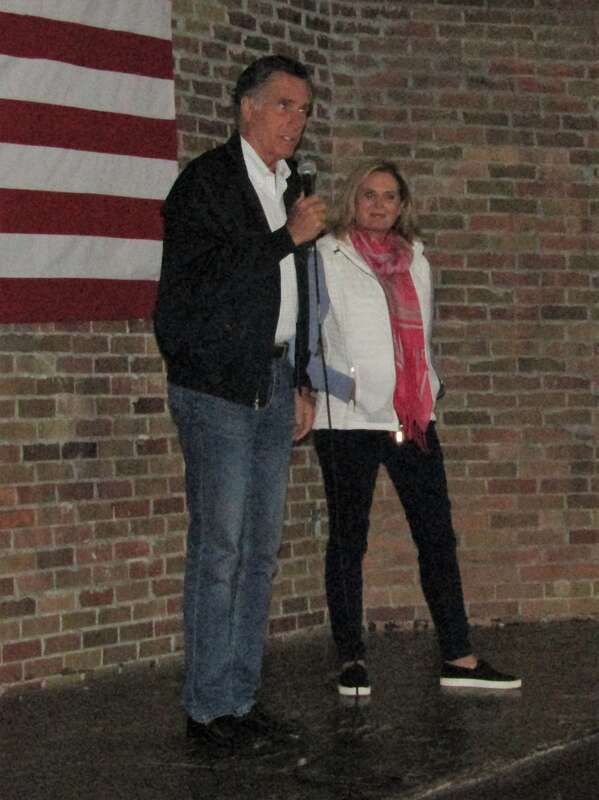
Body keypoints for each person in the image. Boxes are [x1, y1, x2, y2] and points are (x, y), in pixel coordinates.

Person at [154, 55, 327, 755]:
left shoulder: (291, 186)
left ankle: (241, 695)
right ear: (246, 108)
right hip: (217, 388)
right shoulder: (206, 184)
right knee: (220, 550)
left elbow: (296, 292)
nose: (297, 119)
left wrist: (304, 377)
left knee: (259, 552)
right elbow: (201, 285)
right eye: (285, 104)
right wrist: (285, 237)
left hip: (274, 379)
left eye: (305, 109)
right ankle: (206, 709)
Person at [307, 161, 521, 698]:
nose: (379, 205)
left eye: (390, 197)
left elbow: (421, 336)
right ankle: (351, 657)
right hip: (349, 421)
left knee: (437, 537)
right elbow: (303, 336)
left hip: (412, 420)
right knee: (348, 541)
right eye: (369, 195)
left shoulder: (416, 261)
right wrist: (343, 386)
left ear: (403, 206)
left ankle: (459, 655)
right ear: (353, 199)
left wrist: (431, 382)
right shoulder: (325, 255)